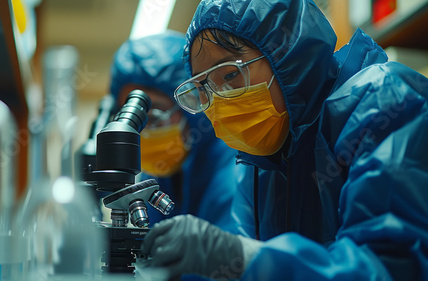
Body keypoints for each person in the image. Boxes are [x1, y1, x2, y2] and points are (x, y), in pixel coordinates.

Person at [141, 0, 428, 280]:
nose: (218, 102)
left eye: (230, 74)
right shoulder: (259, 161)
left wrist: (247, 258)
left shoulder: (383, 103)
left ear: (288, 55)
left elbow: (388, 268)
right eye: (205, 89)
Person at [108, 30, 239, 232]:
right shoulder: (160, 178)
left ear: (190, 104)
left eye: (153, 117)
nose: (142, 131)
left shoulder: (234, 170)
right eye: (132, 118)